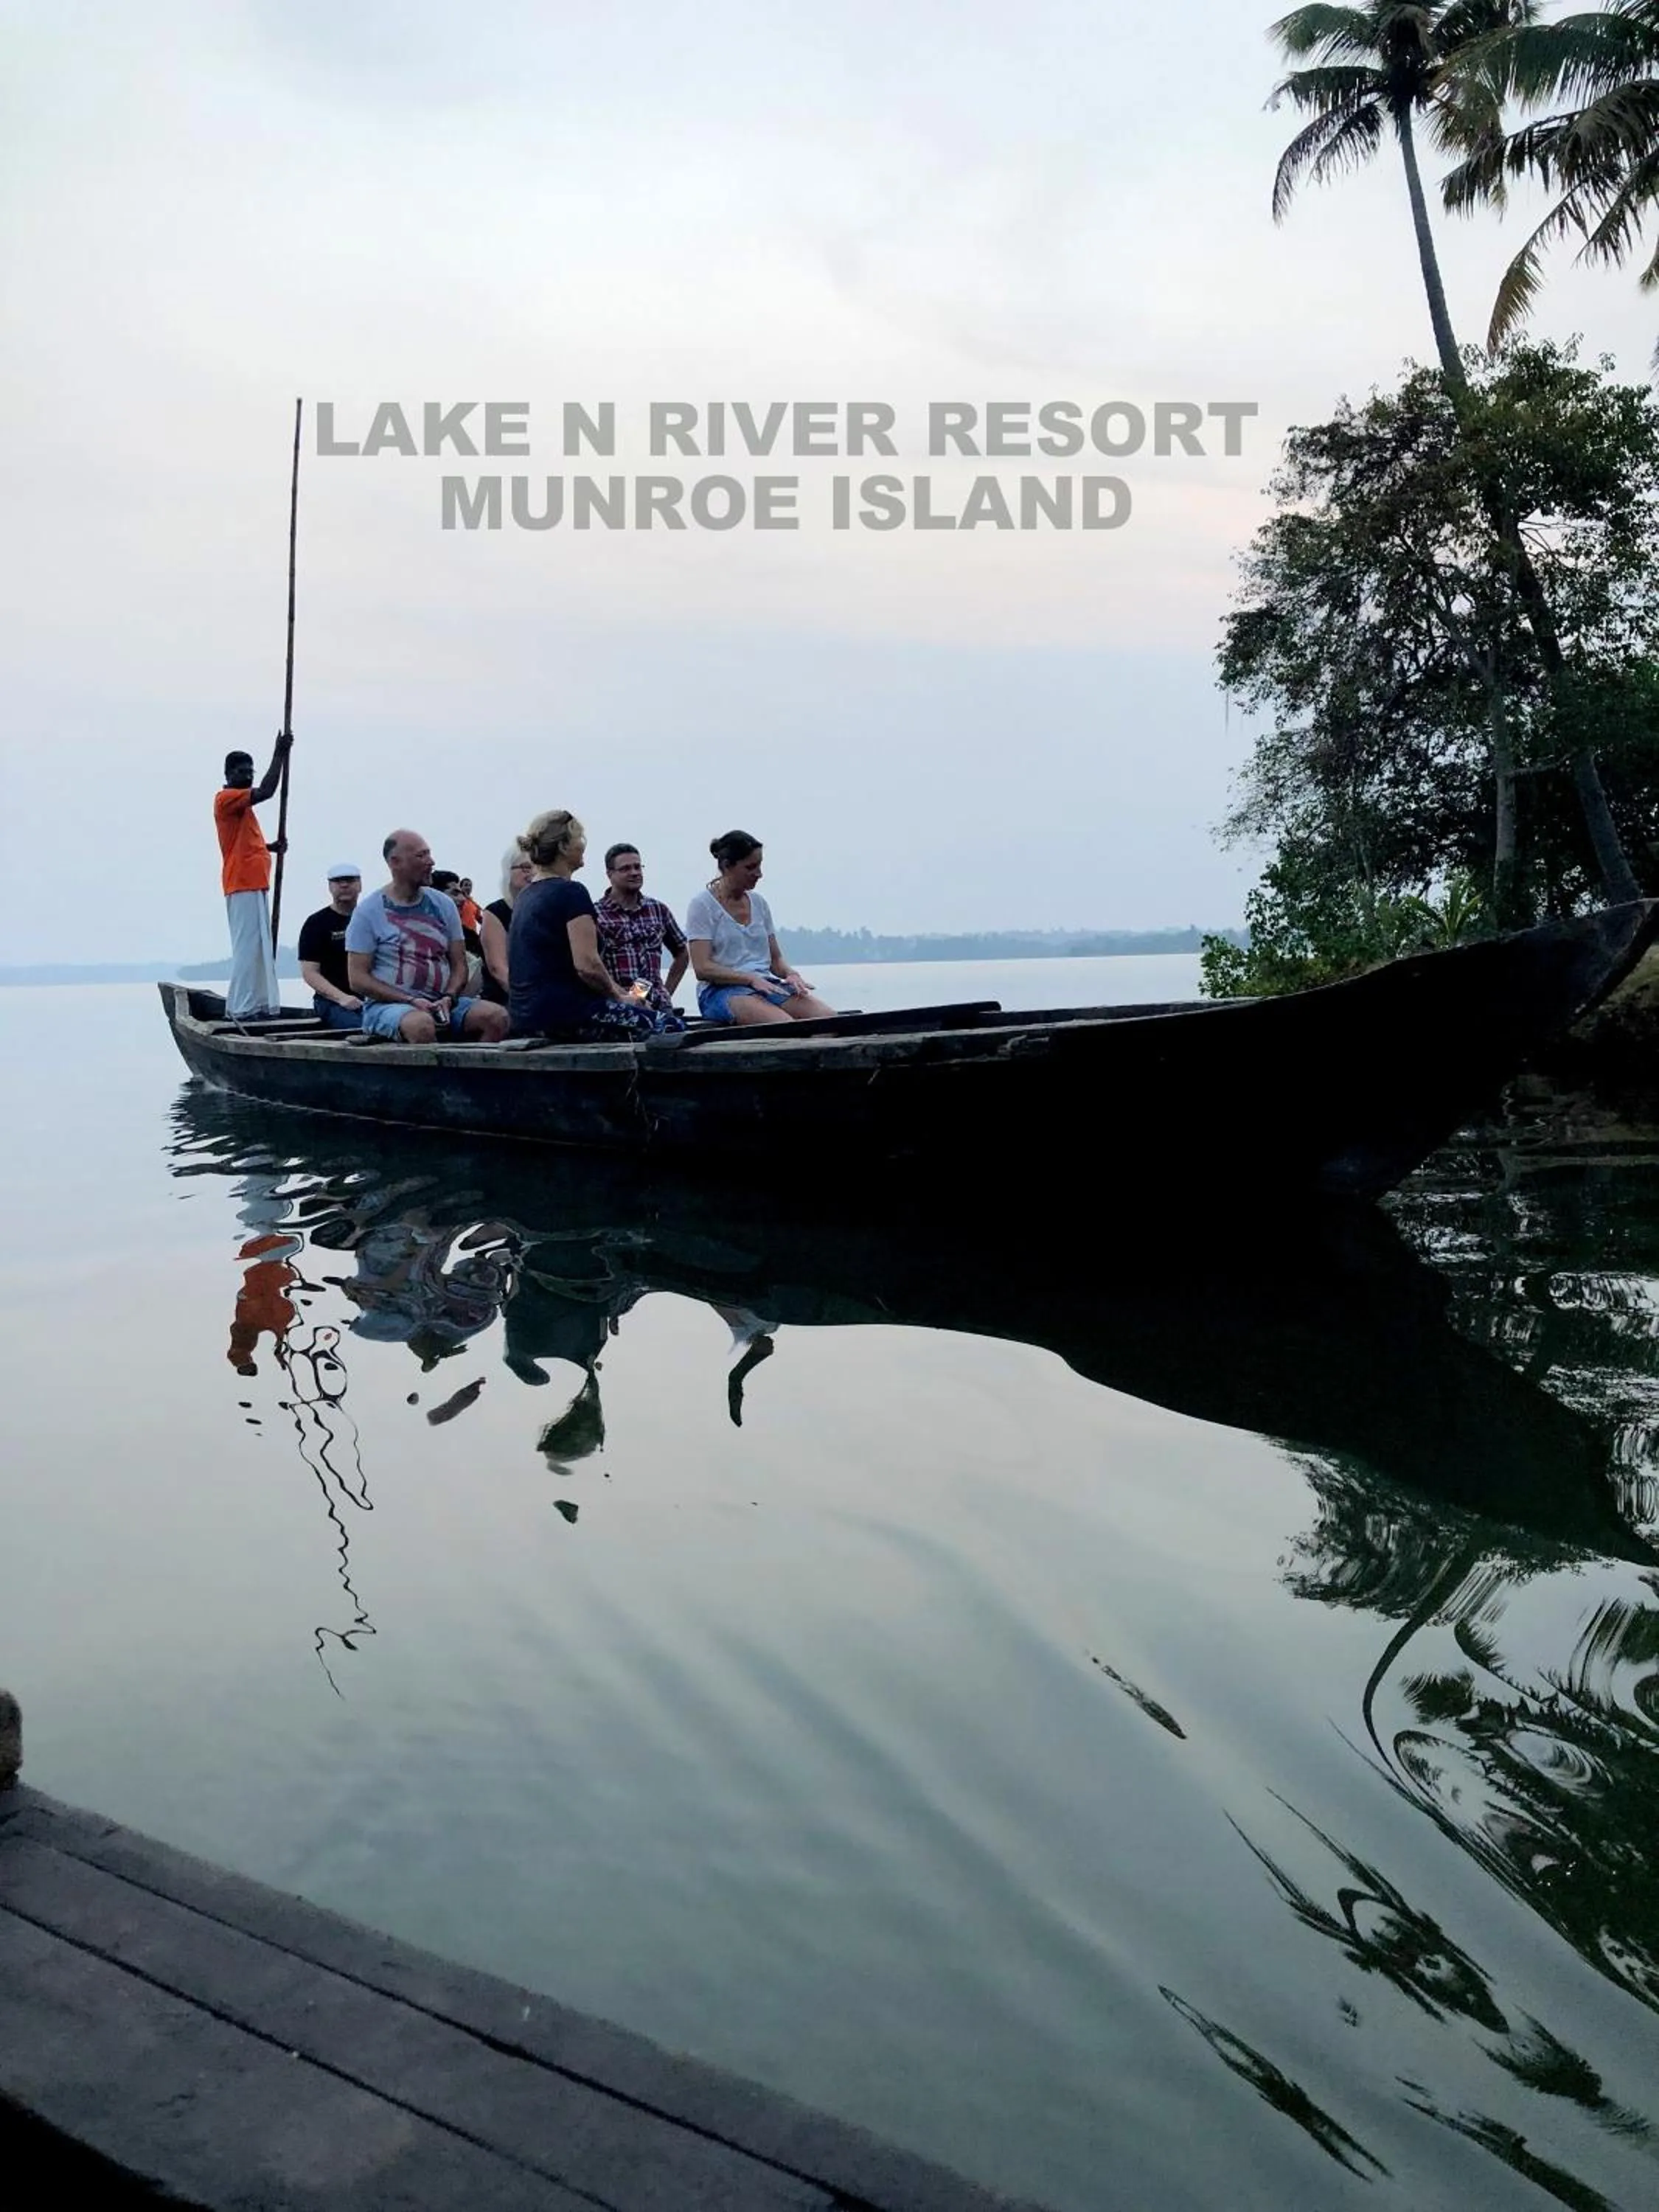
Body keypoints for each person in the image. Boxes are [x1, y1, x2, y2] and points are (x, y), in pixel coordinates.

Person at [507, 810, 666, 1040]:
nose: (583, 845)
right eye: (579, 839)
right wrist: (620, 999)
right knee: (669, 1027)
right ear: (563, 847)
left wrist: (627, 996)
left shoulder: (526, 896)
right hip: (569, 1015)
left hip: (526, 1016)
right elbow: (587, 965)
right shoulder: (572, 892)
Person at [344, 830, 511, 1043]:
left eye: (429, 854)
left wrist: (449, 997)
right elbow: (358, 979)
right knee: (420, 1025)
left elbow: (460, 965)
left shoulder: (443, 905)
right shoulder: (368, 912)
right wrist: (410, 1000)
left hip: (442, 1002)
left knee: (497, 1018)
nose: (431, 862)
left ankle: (475, 1065)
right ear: (395, 862)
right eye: (421, 856)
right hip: (388, 1006)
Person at [686, 832, 835, 1025]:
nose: (759, 874)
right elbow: (702, 968)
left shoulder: (759, 904)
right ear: (728, 866)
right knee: (786, 1026)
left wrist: (791, 974)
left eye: (759, 866)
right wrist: (749, 979)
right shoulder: (703, 905)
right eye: (750, 867)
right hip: (721, 990)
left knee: (829, 1020)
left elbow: (776, 960)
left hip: (765, 984)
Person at [213, 733, 291, 1018]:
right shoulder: (227, 799)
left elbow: (243, 842)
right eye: (242, 772)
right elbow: (267, 791)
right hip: (241, 883)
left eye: (250, 772)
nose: (247, 776)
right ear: (228, 774)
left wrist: (270, 848)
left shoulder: (241, 807)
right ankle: (240, 1008)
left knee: (259, 947)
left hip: (255, 882)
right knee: (247, 947)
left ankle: (257, 1003)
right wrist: (279, 755)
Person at [596, 844, 689, 1027]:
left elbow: (682, 953)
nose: (634, 873)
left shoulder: (658, 910)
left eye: (638, 867)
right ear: (610, 874)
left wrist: (666, 991)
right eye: (625, 869)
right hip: (619, 1007)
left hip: (658, 1003)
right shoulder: (596, 915)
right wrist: (623, 996)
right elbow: (591, 966)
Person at [296, 866, 366, 1029]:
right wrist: (342, 998)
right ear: (330, 886)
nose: (344, 885)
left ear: (360, 885)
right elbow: (310, 972)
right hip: (332, 1001)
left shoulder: (371, 918)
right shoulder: (316, 923)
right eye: (338, 881)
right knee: (358, 1028)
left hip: (372, 998)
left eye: (350, 880)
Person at [479, 847, 532, 1007]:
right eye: (525, 867)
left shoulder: (551, 910)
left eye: (537, 867)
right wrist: (528, 1000)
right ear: (509, 871)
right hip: (508, 999)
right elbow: (499, 969)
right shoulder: (496, 912)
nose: (532, 873)